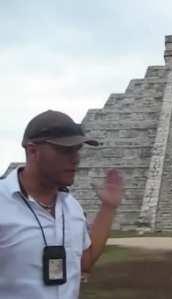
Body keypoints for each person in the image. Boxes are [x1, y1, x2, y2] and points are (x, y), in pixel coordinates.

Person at [0, 110, 123, 298]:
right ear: (33, 151)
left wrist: (108, 208)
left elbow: (84, 261)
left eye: (77, 150)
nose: (76, 158)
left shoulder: (71, 206)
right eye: (65, 150)